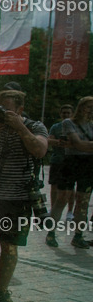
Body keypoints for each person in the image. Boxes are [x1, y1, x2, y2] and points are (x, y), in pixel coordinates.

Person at [0, 87, 48, 302]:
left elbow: (40, 151)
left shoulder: (34, 126)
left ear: (19, 110)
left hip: (17, 200)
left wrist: (20, 128)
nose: (0, 112)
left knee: (9, 247)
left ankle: (3, 291)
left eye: (6, 109)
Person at [59, 96, 93, 248]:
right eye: (89, 107)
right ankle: (52, 232)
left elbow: (79, 144)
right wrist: (80, 145)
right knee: (64, 198)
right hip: (72, 162)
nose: (91, 110)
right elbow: (78, 144)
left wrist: (81, 145)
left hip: (89, 164)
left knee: (84, 201)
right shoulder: (69, 122)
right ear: (81, 107)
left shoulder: (91, 124)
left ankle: (79, 235)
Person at [46, 104, 75, 246]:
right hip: (57, 160)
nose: (66, 115)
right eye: (64, 112)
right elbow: (48, 140)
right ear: (60, 113)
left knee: (71, 189)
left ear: (72, 113)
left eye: (68, 112)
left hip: (72, 161)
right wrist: (59, 142)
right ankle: (53, 208)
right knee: (54, 186)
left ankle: (70, 211)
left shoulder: (75, 127)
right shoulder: (56, 127)